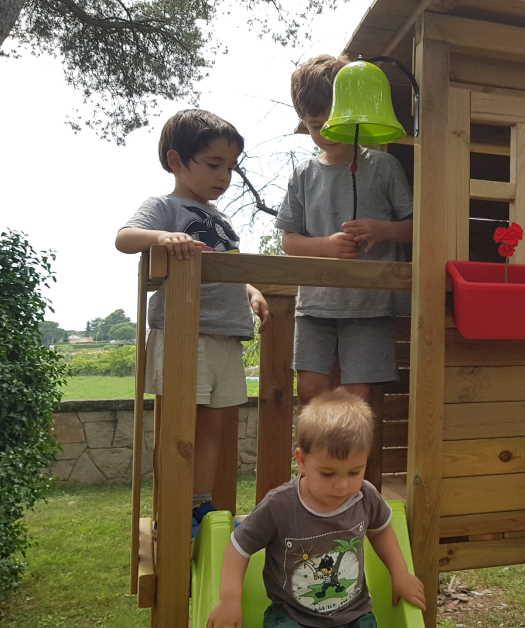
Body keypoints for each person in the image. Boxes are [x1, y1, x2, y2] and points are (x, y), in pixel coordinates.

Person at [115, 109, 269, 534]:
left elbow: (229, 268)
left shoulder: (222, 221)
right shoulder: (164, 207)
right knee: (182, 425)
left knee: (216, 425)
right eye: (214, 164)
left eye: (231, 168)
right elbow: (125, 237)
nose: (224, 177)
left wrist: (250, 290)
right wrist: (162, 237)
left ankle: (198, 505)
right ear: (176, 161)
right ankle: (174, 506)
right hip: (186, 334)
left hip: (226, 336)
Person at [206, 390, 425, 628]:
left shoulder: (365, 496)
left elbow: (380, 531)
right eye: (327, 473)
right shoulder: (280, 506)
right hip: (292, 617)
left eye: (354, 471)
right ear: (301, 460)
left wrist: (400, 573)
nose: (342, 485)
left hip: (353, 615)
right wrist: (230, 599)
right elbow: (239, 547)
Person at [277, 54, 413, 407]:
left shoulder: (384, 167)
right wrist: (327, 246)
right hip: (314, 306)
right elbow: (289, 241)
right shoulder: (302, 174)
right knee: (310, 388)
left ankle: (356, 465)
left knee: (360, 395)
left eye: (330, 121)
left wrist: (382, 230)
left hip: (370, 305)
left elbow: (416, 228)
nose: (323, 133)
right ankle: (314, 463)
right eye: (313, 125)